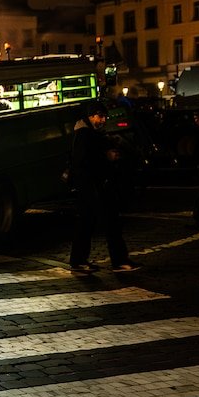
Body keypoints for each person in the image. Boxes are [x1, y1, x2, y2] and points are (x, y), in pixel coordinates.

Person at [68, 101, 139, 272]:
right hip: (93, 186)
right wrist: (106, 157)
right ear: (91, 116)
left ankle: (80, 260)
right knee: (107, 222)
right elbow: (83, 161)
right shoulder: (85, 134)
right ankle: (118, 261)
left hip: (91, 186)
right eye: (100, 117)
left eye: (104, 117)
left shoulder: (87, 132)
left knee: (89, 222)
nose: (103, 120)